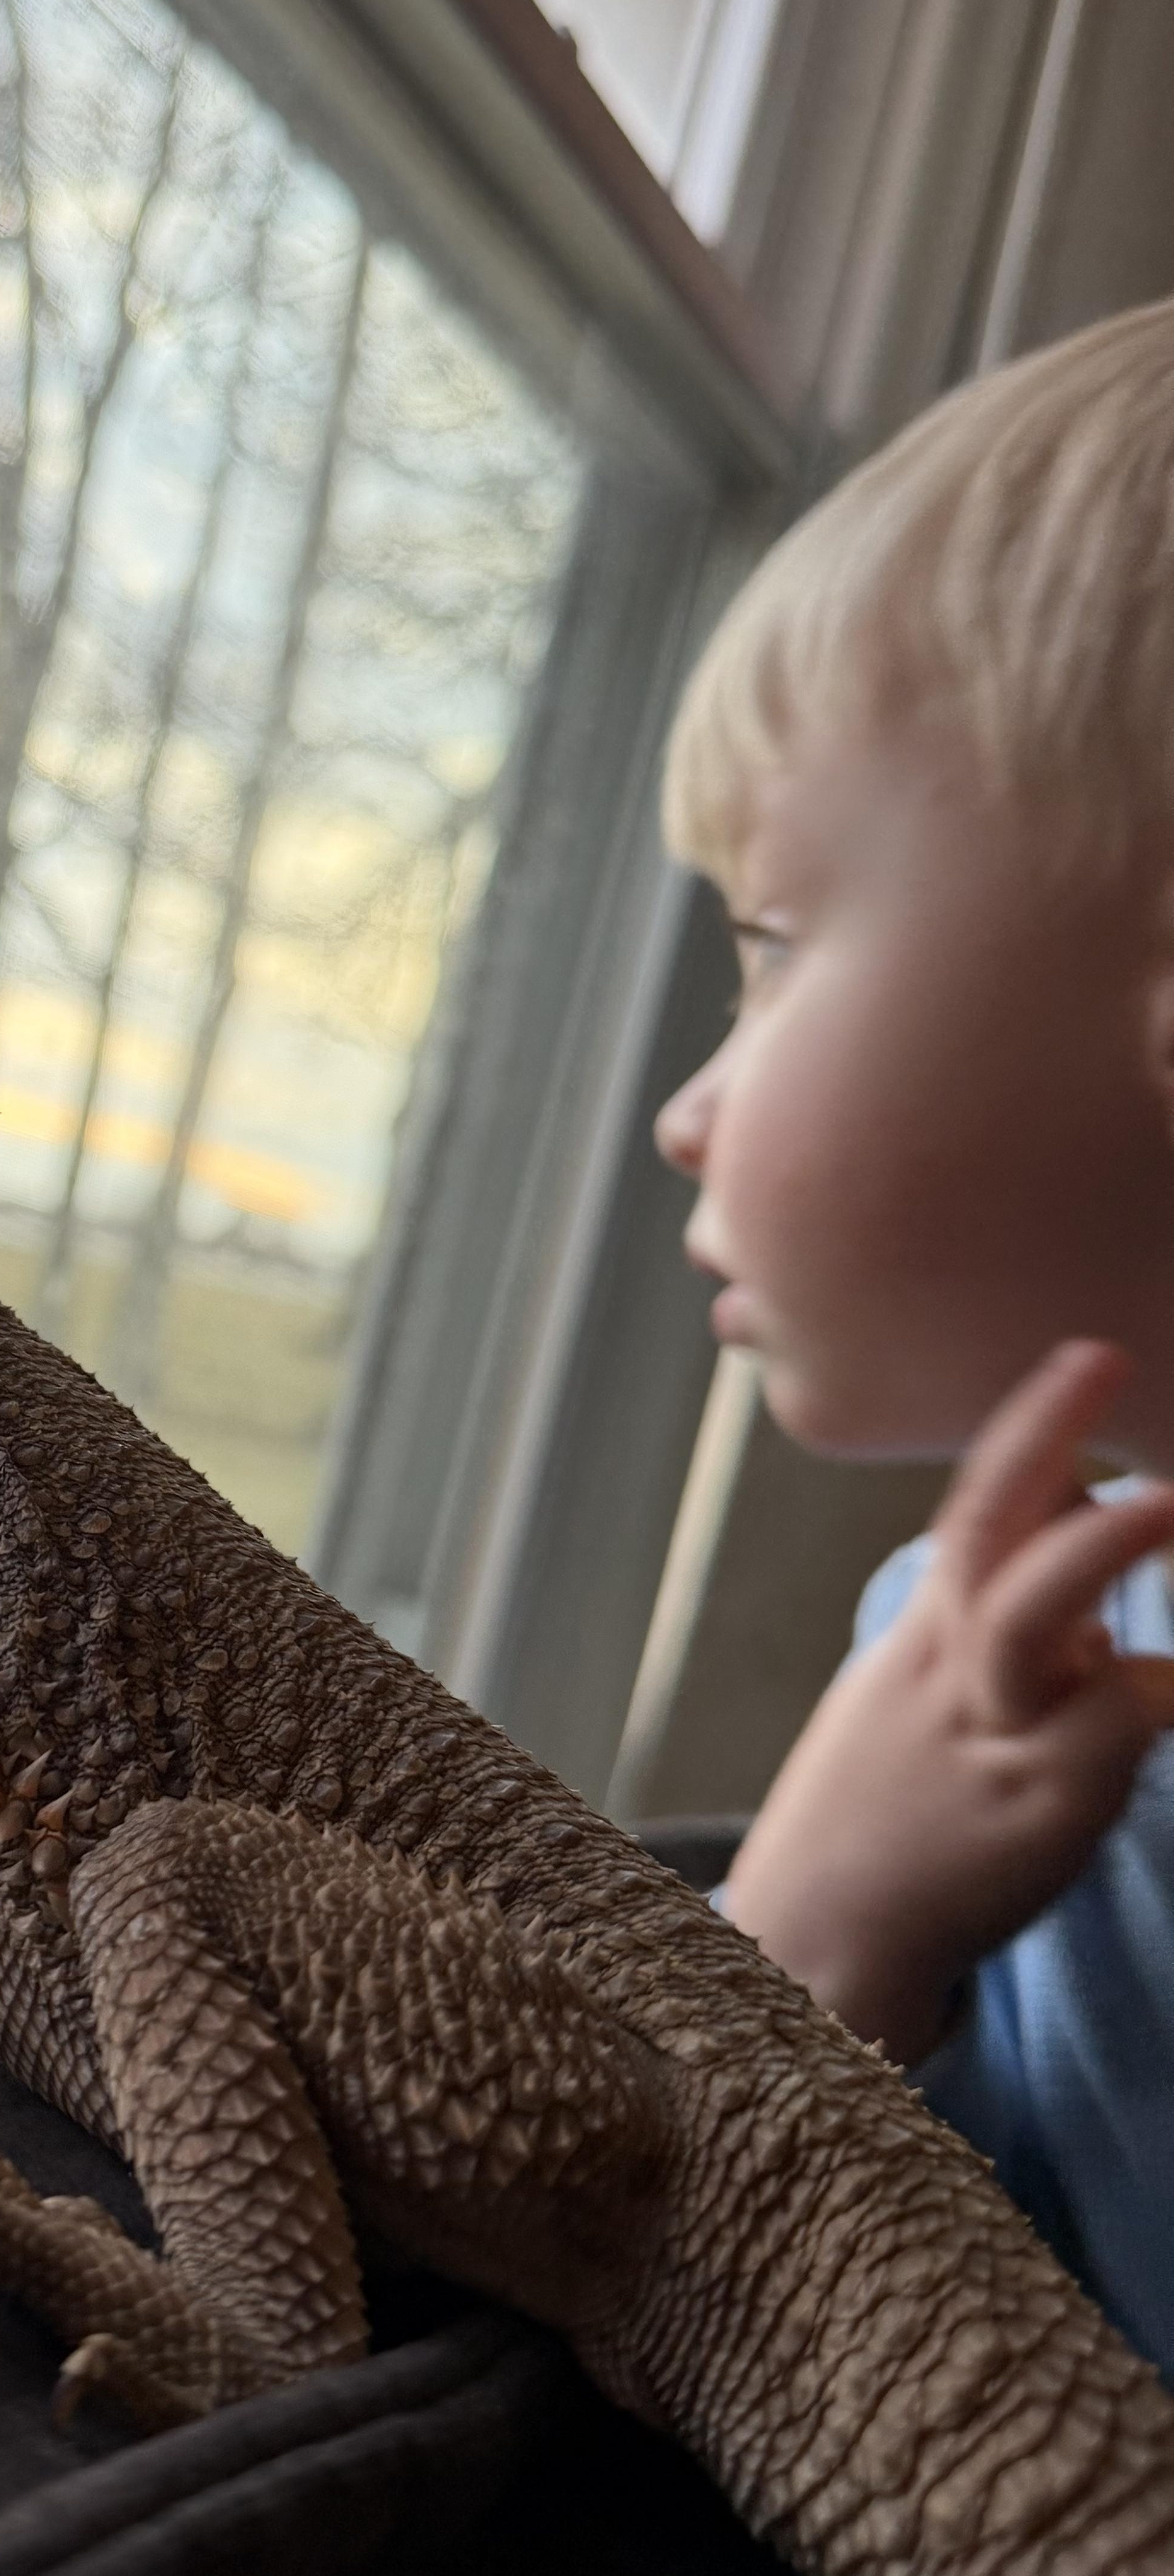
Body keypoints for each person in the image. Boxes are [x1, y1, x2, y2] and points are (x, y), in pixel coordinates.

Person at [648, 294, 1174, 2376]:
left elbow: (728, 2315)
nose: (689, 1107)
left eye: (771, 943)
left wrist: (815, 1934)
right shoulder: (991, 1647)